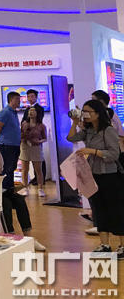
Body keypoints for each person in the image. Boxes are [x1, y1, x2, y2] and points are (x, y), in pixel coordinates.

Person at [68, 100, 124, 257]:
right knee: (99, 210)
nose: (85, 114)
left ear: (98, 114)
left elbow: (114, 154)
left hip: (110, 176)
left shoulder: (108, 131)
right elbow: (71, 138)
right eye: (83, 111)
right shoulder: (88, 131)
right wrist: (75, 122)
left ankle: (122, 245)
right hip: (93, 175)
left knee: (116, 210)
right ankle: (105, 244)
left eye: (88, 112)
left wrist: (92, 151)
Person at [0, 91, 22, 193]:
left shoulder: (14, 112)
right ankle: (5, 189)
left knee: (12, 167)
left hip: (15, 144)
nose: (19, 101)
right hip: (7, 144)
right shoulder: (5, 112)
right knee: (8, 167)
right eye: (17, 99)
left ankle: (10, 188)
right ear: (11, 100)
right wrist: (2, 138)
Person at [20, 106, 47, 198]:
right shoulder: (24, 124)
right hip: (25, 147)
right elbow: (20, 135)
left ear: (37, 113)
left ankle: (40, 189)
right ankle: (25, 188)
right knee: (24, 170)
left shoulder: (41, 126)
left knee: (38, 170)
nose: (31, 113)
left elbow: (45, 138)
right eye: (29, 111)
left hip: (36, 148)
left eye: (33, 111)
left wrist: (39, 141)